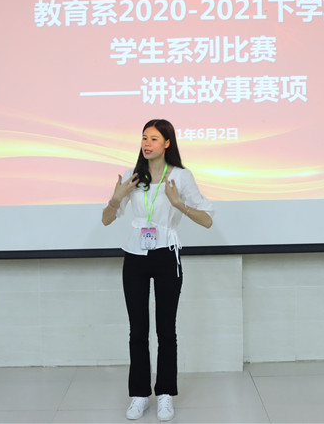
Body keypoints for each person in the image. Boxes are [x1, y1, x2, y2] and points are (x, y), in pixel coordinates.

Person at [102, 119, 213, 421]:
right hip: (135, 256)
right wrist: (116, 198)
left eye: (153, 138)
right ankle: (139, 395)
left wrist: (178, 203)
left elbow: (207, 220)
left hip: (167, 255)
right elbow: (106, 219)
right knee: (137, 330)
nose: (146, 143)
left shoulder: (181, 176)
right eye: (143, 138)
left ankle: (164, 394)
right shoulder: (132, 175)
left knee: (166, 330)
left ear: (167, 143)